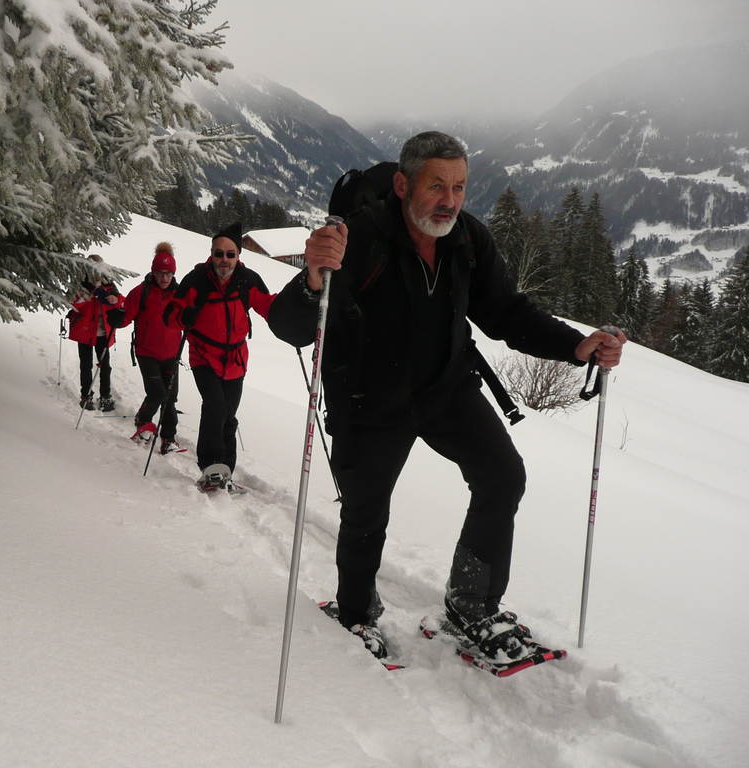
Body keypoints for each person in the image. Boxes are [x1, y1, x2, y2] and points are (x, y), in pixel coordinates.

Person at [267, 131, 626, 660]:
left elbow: (506, 312)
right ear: (402, 184)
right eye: (437, 185)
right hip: (370, 400)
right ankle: (355, 612)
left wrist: (575, 346)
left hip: (445, 389)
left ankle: (470, 604)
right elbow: (289, 327)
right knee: (366, 512)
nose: (450, 200)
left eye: (459, 187)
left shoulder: (467, 240)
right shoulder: (358, 240)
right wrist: (312, 280)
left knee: (502, 475)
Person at [164, 222, 277, 491]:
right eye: (219, 253)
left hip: (235, 359)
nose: (224, 259)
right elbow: (170, 316)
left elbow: (270, 307)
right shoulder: (196, 280)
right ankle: (210, 466)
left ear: (238, 256)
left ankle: (225, 472)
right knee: (215, 406)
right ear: (212, 253)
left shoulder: (247, 281)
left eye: (230, 254)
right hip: (203, 356)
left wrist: (296, 316)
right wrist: (184, 316)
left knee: (229, 416)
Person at [108, 242, 186, 454]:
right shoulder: (141, 292)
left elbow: (187, 319)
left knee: (170, 397)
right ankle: (143, 421)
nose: (164, 277)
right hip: (147, 352)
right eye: (160, 273)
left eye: (168, 273)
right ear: (154, 272)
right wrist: (118, 318)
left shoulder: (180, 294)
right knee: (157, 393)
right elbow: (127, 316)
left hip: (172, 353)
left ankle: (168, 439)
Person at [68, 254, 124, 412]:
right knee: (86, 365)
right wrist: (88, 295)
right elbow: (71, 303)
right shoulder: (81, 283)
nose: (96, 274)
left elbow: (121, 300)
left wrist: (115, 300)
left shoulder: (108, 283)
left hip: (104, 332)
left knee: (105, 366)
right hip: (85, 332)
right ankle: (86, 396)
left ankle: (105, 396)